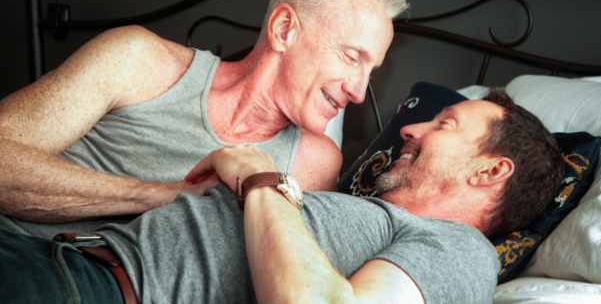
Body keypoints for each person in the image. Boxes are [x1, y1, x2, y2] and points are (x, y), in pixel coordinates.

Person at [0, 87, 565, 303]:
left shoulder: (461, 251)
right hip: (55, 253)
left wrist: (258, 176)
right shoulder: (364, 211)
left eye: (445, 124)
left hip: (93, 289)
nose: (411, 129)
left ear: (491, 171)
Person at [0, 0, 409, 239]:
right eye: (352, 57)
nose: (359, 92)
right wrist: (162, 195)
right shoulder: (137, 59)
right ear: (285, 30)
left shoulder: (313, 164)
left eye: (370, 72)